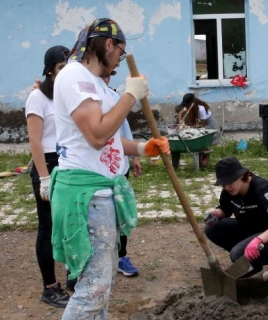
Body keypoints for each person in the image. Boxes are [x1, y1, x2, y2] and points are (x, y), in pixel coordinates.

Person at [50, 18, 169, 319]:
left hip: (99, 193)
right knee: (93, 290)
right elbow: (97, 136)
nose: (118, 61)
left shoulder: (98, 87)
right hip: (86, 196)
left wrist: (143, 148)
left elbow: (112, 140)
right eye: (119, 52)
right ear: (107, 44)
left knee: (100, 287)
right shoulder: (75, 77)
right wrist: (130, 95)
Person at [25, 45, 71, 308]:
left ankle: (73, 278)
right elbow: (35, 141)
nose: (65, 73)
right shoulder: (37, 99)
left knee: (70, 224)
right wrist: (43, 177)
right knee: (48, 226)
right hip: (48, 164)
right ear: (50, 71)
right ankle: (50, 287)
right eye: (61, 68)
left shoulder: (67, 96)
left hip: (67, 162)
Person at [203, 157, 268, 280]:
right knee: (212, 229)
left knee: (237, 254)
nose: (227, 187)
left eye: (229, 182)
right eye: (223, 184)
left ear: (242, 176)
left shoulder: (263, 190)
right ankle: (254, 264)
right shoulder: (229, 191)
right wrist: (215, 214)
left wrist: (258, 240)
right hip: (253, 229)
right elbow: (225, 208)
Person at [102, 69, 142, 278]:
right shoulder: (87, 98)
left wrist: (135, 155)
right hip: (97, 174)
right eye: (103, 74)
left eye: (109, 74)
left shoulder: (115, 97)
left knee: (121, 212)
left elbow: (124, 128)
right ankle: (97, 262)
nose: (106, 77)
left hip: (119, 168)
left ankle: (121, 257)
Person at [173, 93, 222, 168]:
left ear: (191, 103)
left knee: (198, 134)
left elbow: (202, 124)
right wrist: (181, 123)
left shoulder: (201, 108)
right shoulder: (189, 106)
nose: (187, 106)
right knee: (191, 132)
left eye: (187, 104)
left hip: (210, 125)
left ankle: (202, 150)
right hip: (203, 124)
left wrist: (190, 127)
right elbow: (180, 113)